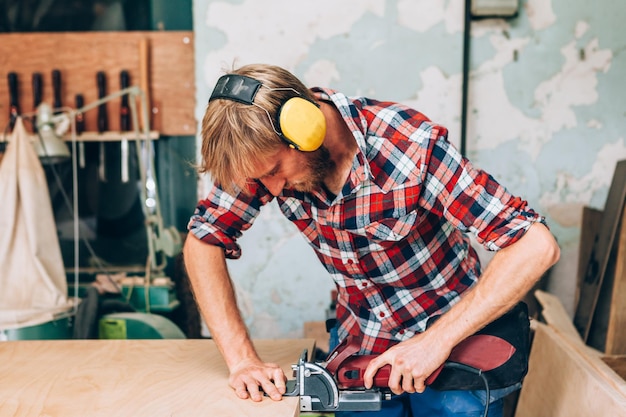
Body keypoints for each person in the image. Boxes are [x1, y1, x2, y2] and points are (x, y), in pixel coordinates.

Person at [184, 63, 560, 417]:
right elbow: (203, 240)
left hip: (456, 348)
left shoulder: (408, 147)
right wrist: (242, 360)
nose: (272, 189)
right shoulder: (263, 161)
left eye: (274, 171)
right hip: (363, 350)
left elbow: (535, 245)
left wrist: (434, 342)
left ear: (305, 128)